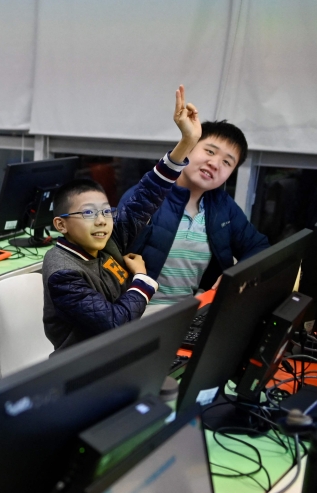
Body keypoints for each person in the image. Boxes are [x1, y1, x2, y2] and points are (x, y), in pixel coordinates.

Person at [42, 87, 202, 351]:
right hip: (82, 368)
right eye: (89, 213)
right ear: (62, 224)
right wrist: (143, 279)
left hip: (121, 351)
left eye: (106, 210)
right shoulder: (64, 273)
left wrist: (187, 141)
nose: (102, 220)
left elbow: (147, 195)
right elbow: (115, 322)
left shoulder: (107, 238)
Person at [125, 120, 270, 305]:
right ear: (189, 148)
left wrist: (237, 274)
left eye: (227, 162)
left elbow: (259, 246)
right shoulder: (149, 194)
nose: (215, 163)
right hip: (137, 311)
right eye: (210, 151)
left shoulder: (222, 205)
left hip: (190, 310)